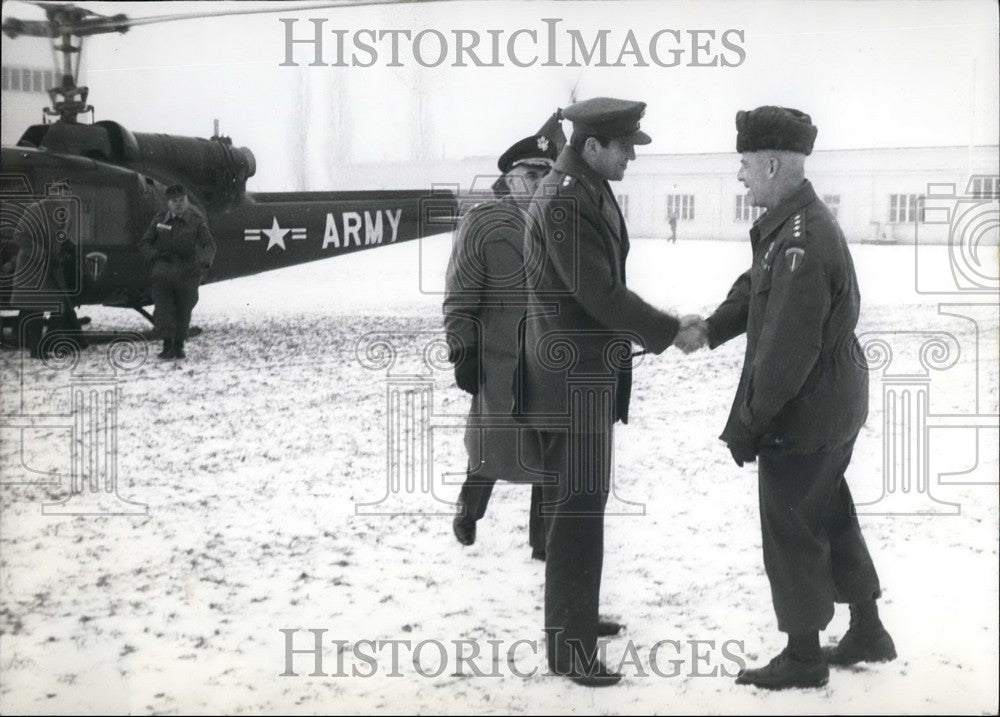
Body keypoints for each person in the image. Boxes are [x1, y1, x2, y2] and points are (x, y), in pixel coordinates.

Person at [675, 106, 895, 690]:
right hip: (832, 401)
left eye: (745, 164)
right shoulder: (792, 224)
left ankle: (803, 657)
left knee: (792, 523)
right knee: (826, 509)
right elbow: (755, 289)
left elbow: (784, 354)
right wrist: (712, 328)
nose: (740, 176)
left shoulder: (800, 240)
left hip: (806, 407)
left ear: (772, 162)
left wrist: (749, 423)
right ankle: (868, 629)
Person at [518, 97, 681, 686]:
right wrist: (668, 331)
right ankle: (568, 645)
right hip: (570, 386)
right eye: (625, 147)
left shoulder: (581, 187)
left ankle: (577, 618)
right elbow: (602, 296)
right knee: (576, 515)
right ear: (592, 147)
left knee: (582, 510)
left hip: (581, 379)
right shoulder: (566, 199)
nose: (631, 157)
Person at [443, 112, 563, 560]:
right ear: (511, 180)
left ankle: (542, 543)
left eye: (547, 175)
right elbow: (458, 294)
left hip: (547, 359)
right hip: (498, 361)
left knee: (549, 451)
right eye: (531, 175)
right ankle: (467, 509)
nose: (539, 184)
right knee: (492, 445)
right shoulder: (483, 223)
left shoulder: (558, 222)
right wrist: (463, 349)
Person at [139, 185, 216, 360]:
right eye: (174, 201)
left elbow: (209, 245)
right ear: (168, 203)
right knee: (163, 310)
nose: (179, 204)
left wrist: (203, 263)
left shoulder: (196, 222)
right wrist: (155, 256)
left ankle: (179, 345)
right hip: (163, 272)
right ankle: (167, 345)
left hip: (187, 273)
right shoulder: (159, 220)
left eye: (182, 200)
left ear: (187, 201)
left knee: (183, 310)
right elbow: (145, 243)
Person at [8, 201, 87, 358]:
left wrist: (73, 247)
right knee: (36, 309)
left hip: (52, 268)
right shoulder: (34, 211)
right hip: (33, 269)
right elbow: (20, 236)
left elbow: (60, 235)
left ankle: (50, 343)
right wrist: (43, 255)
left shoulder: (61, 212)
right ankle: (37, 350)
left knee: (59, 305)